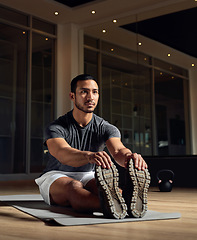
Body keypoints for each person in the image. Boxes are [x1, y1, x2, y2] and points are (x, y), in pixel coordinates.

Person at [35, 74, 150, 219]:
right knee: (73, 188)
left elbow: (118, 150)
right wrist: (89, 156)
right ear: (72, 96)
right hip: (56, 175)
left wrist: (130, 158)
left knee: (111, 190)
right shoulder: (56, 127)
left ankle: (122, 200)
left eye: (94, 92)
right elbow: (62, 152)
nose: (90, 97)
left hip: (88, 174)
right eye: (84, 92)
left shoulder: (106, 127)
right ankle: (120, 205)